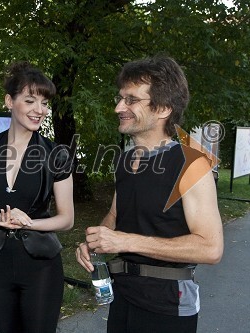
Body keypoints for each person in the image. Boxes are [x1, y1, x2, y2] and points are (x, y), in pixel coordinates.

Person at [76, 56, 224, 333]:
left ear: (163, 108)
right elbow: (116, 215)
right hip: (123, 295)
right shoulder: (125, 160)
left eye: (131, 100)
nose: (119, 107)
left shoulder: (191, 164)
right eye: (120, 98)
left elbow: (211, 248)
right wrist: (96, 242)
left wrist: (125, 241)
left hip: (167, 305)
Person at [0, 61, 74, 333]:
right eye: (30, 101)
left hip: (41, 267)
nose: (40, 110)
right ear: (9, 101)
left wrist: (28, 223)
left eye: (45, 103)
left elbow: (67, 219)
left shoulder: (56, 154)